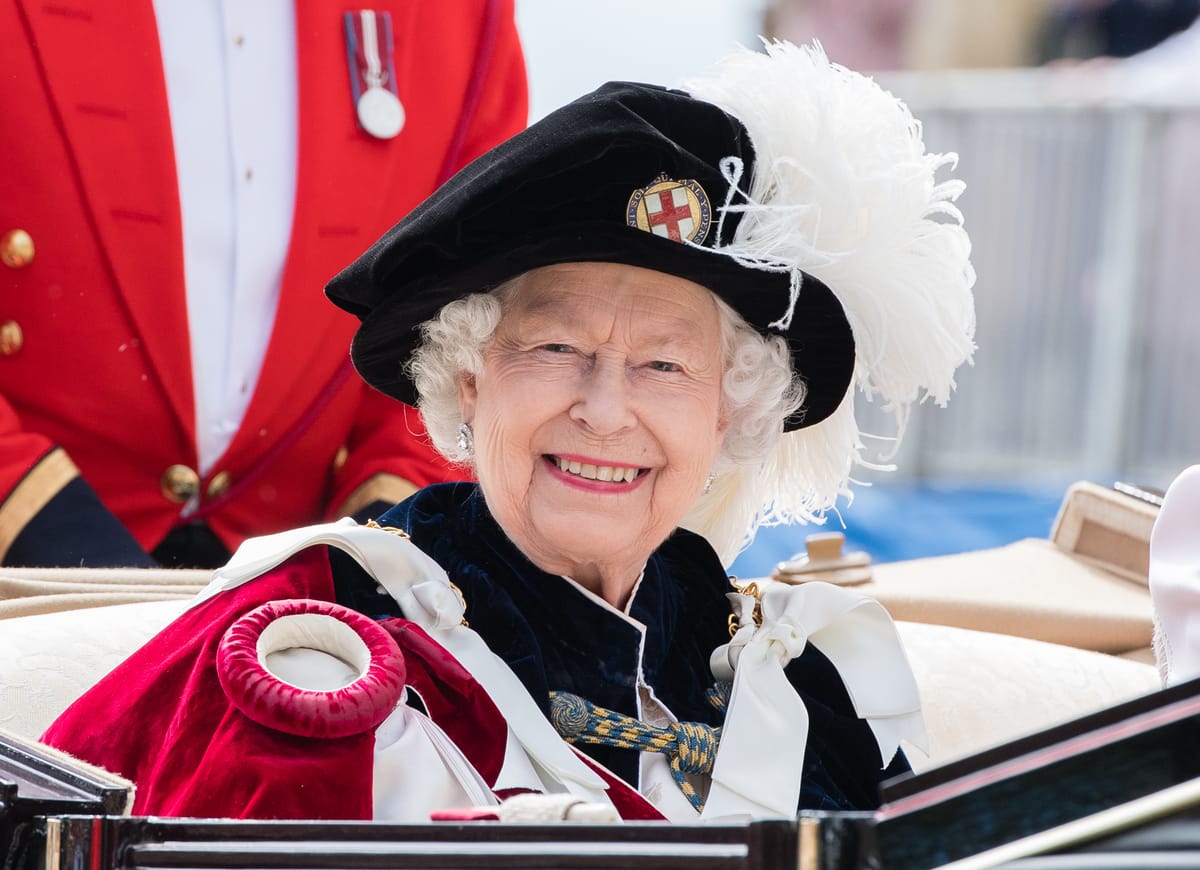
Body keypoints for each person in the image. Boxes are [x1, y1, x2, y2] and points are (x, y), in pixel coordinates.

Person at [42, 41, 976, 821]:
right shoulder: (328, 652)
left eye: (665, 365)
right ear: (467, 383)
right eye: (558, 347)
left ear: (728, 412)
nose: (607, 411)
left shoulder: (814, 677)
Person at [0, 1, 527, 568]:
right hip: (30, 571)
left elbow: (461, 316)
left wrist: (368, 562)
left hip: (305, 596)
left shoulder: (460, 16)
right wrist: (46, 529)